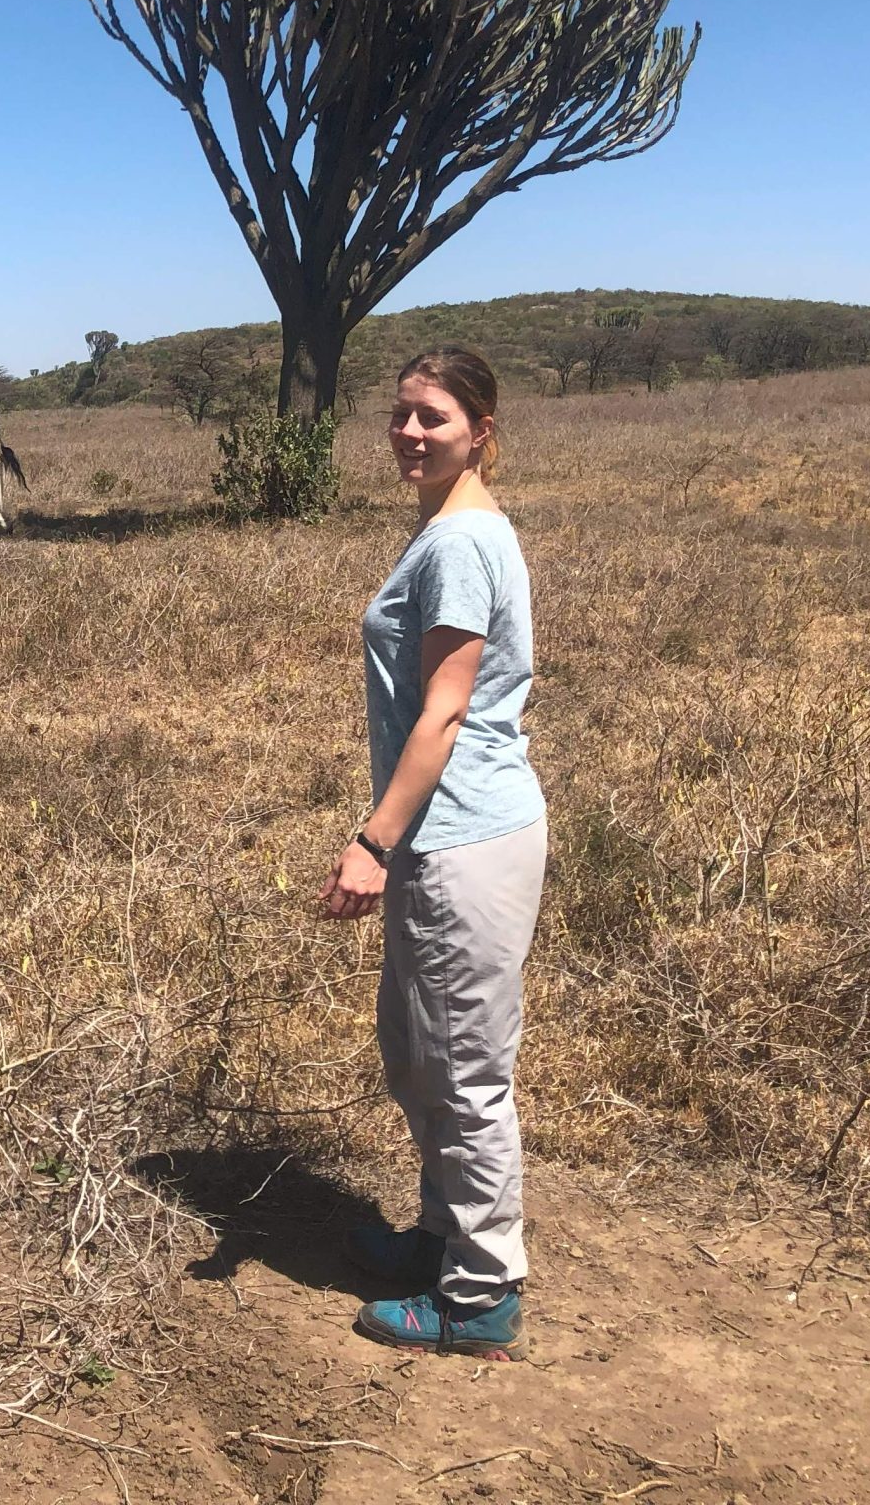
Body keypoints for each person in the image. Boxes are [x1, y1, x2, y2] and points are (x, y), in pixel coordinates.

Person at [318, 345, 547, 1360]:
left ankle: (480, 1300)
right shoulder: (448, 528)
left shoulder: (459, 544)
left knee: (461, 1072)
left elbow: (444, 713)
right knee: (419, 1057)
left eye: (435, 419)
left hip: (457, 837)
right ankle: (442, 1237)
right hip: (442, 835)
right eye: (403, 414)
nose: (411, 432)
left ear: (480, 434)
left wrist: (372, 839)